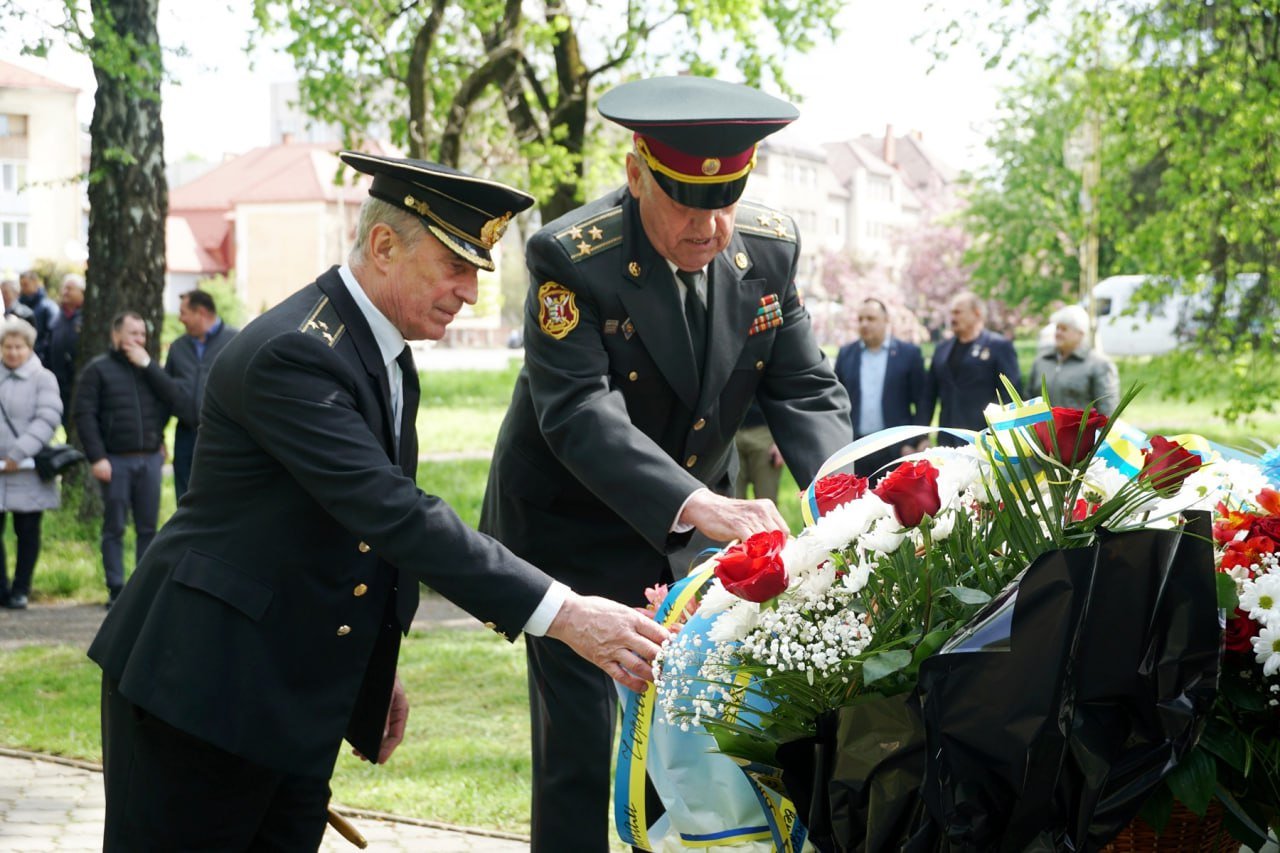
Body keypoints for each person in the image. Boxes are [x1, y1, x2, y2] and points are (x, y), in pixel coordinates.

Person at [86, 152, 669, 852]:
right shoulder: (296, 354)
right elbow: (393, 510)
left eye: (477, 272)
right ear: (384, 245)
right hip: (202, 688)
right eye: (455, 267)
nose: (470, 294)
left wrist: (373, 667)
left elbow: (367, 532)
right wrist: (566, 614)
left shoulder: (379, 348)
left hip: (287, 693)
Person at [479, 76, 853, 852]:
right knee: (580, 749)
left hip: (684, 544)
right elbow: (578, 413)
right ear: (635, 173)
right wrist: (696, 501)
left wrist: (850, 501)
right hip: (569, 533)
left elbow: (805, 389)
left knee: (691, 739)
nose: (710, 226)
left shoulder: (769, 249)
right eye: (686, 203)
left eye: (725, 203)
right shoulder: (573, 257)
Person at [72, 311, 186, 608]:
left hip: (149, 460)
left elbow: (173, 401)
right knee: (115, 527)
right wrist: (97, 457)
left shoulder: (150, 370)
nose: (139, 339)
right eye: (133, 333)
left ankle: (142, 588)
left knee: (149, 528)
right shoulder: (97, 370)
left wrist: (149, 367)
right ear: (116, 335)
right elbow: (84, 416)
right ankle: (117, 589)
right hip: (115, 461)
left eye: (142, 334)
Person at [0, 318, 62, 610]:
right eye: (7, 347)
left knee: (27, 532)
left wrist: (17, 453)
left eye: (18, 347)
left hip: (26, 469)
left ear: (29, 348)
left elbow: (48, 417)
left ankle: (21, 588)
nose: (13, 352)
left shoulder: (43, 378)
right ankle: (1, 588)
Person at [833, 297, 929, 480]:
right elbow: (837, 400)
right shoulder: (846, 354)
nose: (864, 324)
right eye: (860, 319)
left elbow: (921, 400)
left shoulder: (909, 354)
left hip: (896, 448)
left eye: (870, 318)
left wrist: (916, 440)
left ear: (886, 320)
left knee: (895, 507)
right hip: (856, 448)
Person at [164, 288, 238, 500]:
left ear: (201, 313)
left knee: (221, 496)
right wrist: (157, 436)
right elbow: (166, 393)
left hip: (223, 435)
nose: (180, 319)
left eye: (183, 312)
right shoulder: (178, 347)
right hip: (186, 435)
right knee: (184, 495)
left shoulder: (236, 341)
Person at [922, 291, 1021, 444]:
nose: (952, 318)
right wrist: (922, 437)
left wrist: (996, 434)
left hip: (984, 439)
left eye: (958, 312)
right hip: (947, 439)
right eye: (951, 313)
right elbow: (928, 396)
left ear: (977, 313)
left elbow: (1010, 394)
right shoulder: (942, 349)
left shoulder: (999, 346)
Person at [1026, 303, 1120, 415]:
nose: (1058, 333)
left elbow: (1107, 410)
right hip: (1041, 432)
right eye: (1057, 328)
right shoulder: (1041, 361)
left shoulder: (1099, 364)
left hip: (1081, 432)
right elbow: (1028, 399)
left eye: (1064, 329)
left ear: (1080, 333)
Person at [47, 273, 85, 427]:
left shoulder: (87, 317)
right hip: (59, 383)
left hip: (78, 383)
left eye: (70, 289)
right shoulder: (57, 317)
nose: (65, 292)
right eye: (63, 288)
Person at [734, 399, 784, 501]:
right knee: (731, 501)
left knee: (766, 499)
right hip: (730, 433)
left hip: (765, 432)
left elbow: (787, 394)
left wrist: (782, 440)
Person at [18, 270, 59, 364]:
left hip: (41, 357)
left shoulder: (48, 307)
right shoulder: (18, 305)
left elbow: (52, 335)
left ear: (35, 283)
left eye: (25, 284)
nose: (22, 288)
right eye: (21, 285)